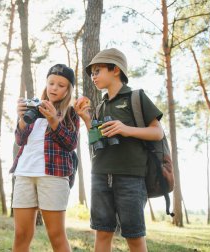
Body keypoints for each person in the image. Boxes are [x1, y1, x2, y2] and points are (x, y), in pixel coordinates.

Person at [74, 48, 164, 252]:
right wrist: (87, 120)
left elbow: (157, 133)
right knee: (102, 232)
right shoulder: (100, 106)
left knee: (134, 236)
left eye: (97, 71)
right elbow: (96, 139)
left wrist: (125, 129)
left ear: (115, 69)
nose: (93, 76)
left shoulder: (136, 97)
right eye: (92, 73)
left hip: (130, 177)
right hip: (100, 174)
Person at [10, 64, 79, 252]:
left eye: (61, 85)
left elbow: (71, 143)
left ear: (68, 90)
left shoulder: (70, 113)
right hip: (24, 173)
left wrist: (54, 120)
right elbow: (19, 139)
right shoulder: (34, 108)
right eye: (51, 83)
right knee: (21, 235)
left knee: (56, 235)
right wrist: (22, 118)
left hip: (54, 175)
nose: (54, 88)